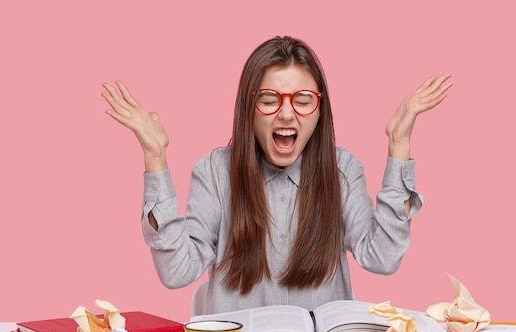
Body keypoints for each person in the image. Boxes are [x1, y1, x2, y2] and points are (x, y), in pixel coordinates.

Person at [101, 35, 451, 315]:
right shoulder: (216, 171)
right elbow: (177, 272)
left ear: (319, 108)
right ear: (248, 108)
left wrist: (399, 144)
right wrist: (155, 156)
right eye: (269, 99)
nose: (286, 114)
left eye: (302, 99)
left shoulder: (341, 169)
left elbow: (383, 257)